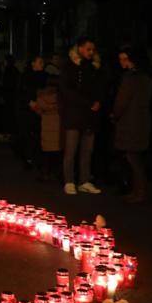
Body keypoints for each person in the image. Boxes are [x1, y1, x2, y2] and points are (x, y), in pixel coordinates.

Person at [60, 37, 104, 195]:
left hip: (89, 115)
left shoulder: (94, 68)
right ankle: (69, 180)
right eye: (88, 49)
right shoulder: (70, 67)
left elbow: (99, 88)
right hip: (74, 114)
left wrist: (98, 101)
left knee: (88, 149)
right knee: (71, 149)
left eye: (93, 49)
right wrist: (88, 102)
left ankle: (84, 180)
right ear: (80, 49)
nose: (91, 52)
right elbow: (67, 91)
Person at [112, 47, 152, 203]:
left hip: (130, 121)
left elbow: (122, 101)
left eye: (125, 59)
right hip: (141, 120)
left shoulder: (130, 78)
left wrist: (115, 114)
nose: (122, 62)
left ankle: (140, 191)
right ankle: (138, 190)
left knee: (133, 158)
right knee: (135, 158)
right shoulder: (146, 78)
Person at [16, 56, 48, 169]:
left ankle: (37, 158)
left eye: (42, 62)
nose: (42, 64)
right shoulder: (25, 76)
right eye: (40, 62)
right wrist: (29, 102)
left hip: (39, 109)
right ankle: (28, 158)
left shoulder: (44, 76)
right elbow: (20, 92)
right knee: (27, 134)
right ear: (33, 63)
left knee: (38, 134)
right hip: (27, 109)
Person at [35, 75, 62, 181]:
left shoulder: (41, 96)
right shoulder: (61, 97)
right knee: (59, 153)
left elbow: (39, 111)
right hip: (58, 125)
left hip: (46, 125)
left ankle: (45, 173)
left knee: (46, 153)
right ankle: (60, 174)